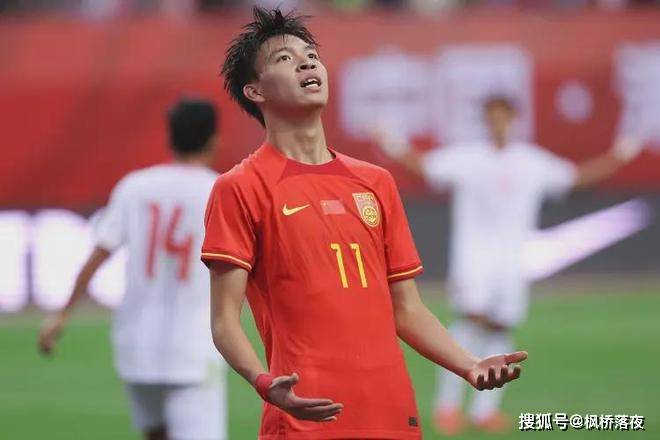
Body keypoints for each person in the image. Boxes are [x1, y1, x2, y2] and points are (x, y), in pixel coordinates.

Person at [202, 7, 527, 440]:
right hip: (306, 415)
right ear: (255, 90)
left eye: (311, 55)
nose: (307, 63)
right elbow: (224, 320)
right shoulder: (240, 187)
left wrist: (469, 364)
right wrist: (263, 383)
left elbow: (407, 310)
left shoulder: (375, 182)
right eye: (284, 58)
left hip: (391, 410)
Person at [371, 95, 644, 435]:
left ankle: (484, 411)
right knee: (469, 324)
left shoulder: (530, 162)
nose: (498, 123)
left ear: (513, 119)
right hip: (474, 259)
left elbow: (576, 178)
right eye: (492, 117)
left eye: (503, 117)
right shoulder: (469, 159)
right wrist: (392, 143)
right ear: (486, 120)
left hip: (512, 261)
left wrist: (620, 155)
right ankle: (447, 407)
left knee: (501, 327)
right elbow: (424, 168)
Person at [39, 98, 227, 440]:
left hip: (136, 347)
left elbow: (98, 255)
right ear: (213, 139)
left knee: (156, 434)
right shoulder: (220, 190)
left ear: (170, 137)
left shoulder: (135, 186)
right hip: (193, 348)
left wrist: (62, 315)